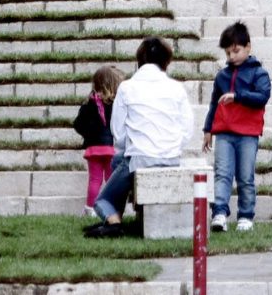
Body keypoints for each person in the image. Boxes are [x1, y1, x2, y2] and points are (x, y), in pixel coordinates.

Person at [84, 37, 194, 238]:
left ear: (139, 61)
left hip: (140, 158)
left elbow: (118, 132)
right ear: (166, 62)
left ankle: (113, 221)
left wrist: (135, 147)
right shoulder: (177, 88)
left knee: (102, 200)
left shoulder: (127, 87)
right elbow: (187, 130)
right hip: (171, 158)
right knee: (120, 161)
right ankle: (114, 220)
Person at [201, 21, 272, 232]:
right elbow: (214, 104)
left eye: (236, 51)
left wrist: (238, 96)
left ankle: (246, 215)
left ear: (248, 47)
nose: (232, 57)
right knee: (222, 173)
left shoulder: (259, 73)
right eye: (228, 53)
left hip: (248, 134)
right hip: (224, 132)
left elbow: (262, 96)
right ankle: (219, 213)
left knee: (245, 176)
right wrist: (208, 130)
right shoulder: (222, 76)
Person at [73, 65, 123, 213]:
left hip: (93, 148)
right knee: (110, 179)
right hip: (110, 147)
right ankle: (111, 207)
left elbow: (77, 124)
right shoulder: (115, 103)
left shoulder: (89, 102)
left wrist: (89, 135)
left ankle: (90, 208)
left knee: (95, 180)